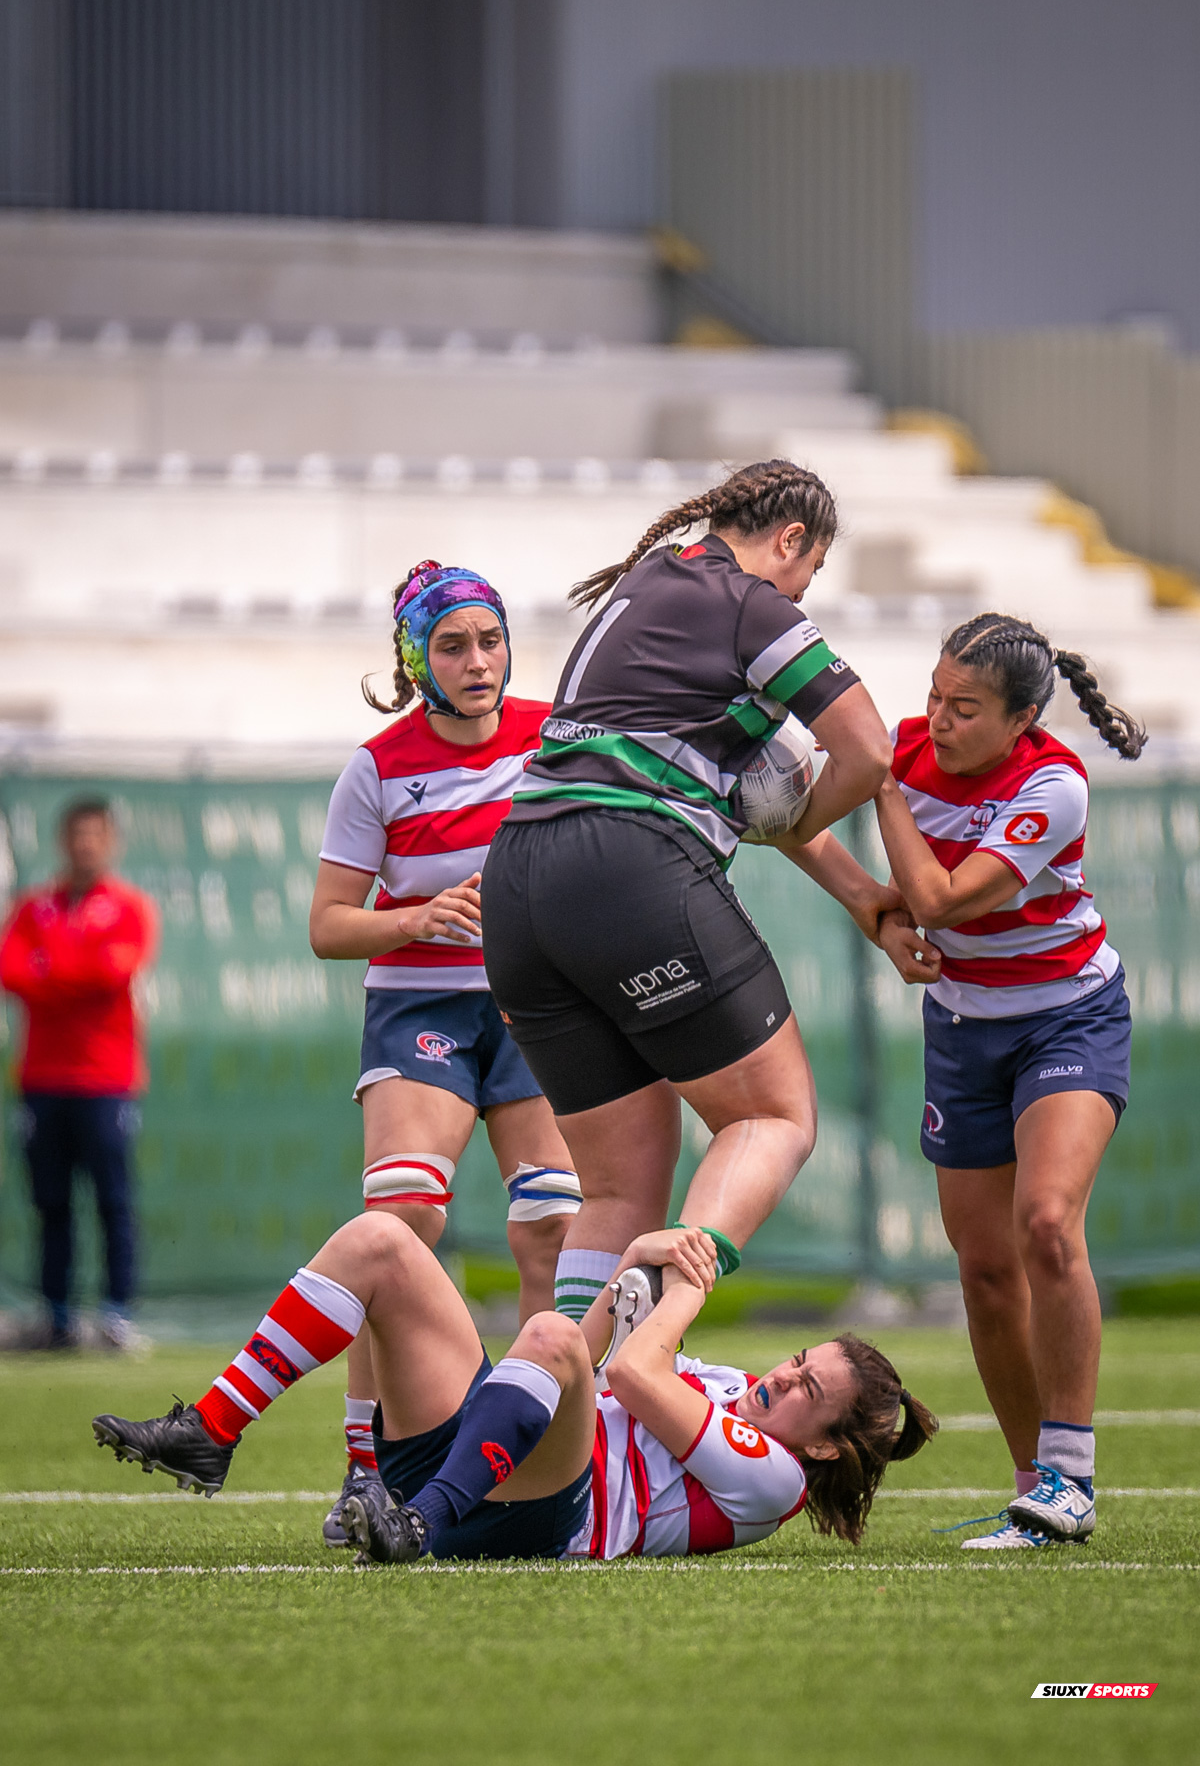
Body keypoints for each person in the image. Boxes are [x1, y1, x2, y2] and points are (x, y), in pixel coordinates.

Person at [481, 459, 896, 1322]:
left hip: (518, 884)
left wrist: (859, 893)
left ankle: (556, 1429)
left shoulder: (644, 588)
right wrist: (785, 813)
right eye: (808, 572)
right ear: (790, 540)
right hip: (627, 867)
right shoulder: (749, 605)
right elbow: (869, 751)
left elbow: (703, 771)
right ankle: (654, 1335)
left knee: (620, 1188)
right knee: (775, 1117)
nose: (801, 593)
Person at [91, 1218, 937, 1561]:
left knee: (547, 1333)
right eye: (797, 1359)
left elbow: (633, 1377)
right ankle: (217, 1429)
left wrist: (686, 1294)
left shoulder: (777, 1480)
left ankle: (417, 1520)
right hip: (501, 1458)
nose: (783, 1374)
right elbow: (605, 1367)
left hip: (549, 1514)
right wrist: (638, 1256)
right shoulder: (735, 1387)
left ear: (823, 1443)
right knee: (383, 1238)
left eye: (805, 1388)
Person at [308, 561, 582, 1546]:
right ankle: (362, 1470)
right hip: (421, 1004)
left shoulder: (560, 736)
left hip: (539, 1005)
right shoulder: (379, 767)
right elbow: (329, 927)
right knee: (406, 1217)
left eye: (491, 639)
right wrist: (420, 915)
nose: (477, 661)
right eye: (454, 644)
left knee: (551, 1226)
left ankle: (545, 1461)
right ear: (416, 656)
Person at [863, 614, 1143, 1549]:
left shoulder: (1051, 786)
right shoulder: (903, 750)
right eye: (934, 697)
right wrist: (871, 914)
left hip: (1069, 1019)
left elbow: (941, 899)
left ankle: (1073, 1476)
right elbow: (797, 827)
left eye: (965, 708)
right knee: (984, 1270)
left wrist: (881, 792)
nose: (937, 720)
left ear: (1021, 719)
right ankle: (1036, 1494)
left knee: (1048, 1223)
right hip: (962, 1033)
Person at [0, 797, 158, 1351]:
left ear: (110, 842)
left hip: (106, 1079)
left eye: (95, 836)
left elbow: (111, 972)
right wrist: (69, 969)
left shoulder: (129, 908)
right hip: (42, 1078)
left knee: (113, 1200)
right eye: (76, 835)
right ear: (62, 841)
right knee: (50, 1202)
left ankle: (117, 1315)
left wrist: (51, 968)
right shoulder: (31, 908)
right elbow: (11, 971)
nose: (85, 846)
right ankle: (57, 1315)